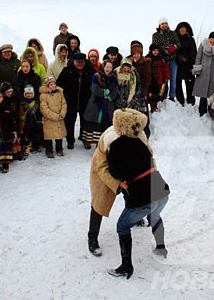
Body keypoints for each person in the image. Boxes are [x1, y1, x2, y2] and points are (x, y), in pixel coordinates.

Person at [107, 108, 170, 279]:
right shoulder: (141, 142)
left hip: (143, 195)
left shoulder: (116, 145)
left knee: (122, 226)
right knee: (155, 215)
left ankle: (126, 266)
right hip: (160, 188)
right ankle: (161, 247)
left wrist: (122, 179)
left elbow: (115, 170)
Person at [88, 108, 153, 257]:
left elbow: (149, 155)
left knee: (132, 193)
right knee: (99, 202)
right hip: (104, 171)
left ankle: (134, 218)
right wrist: (117, 183)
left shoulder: (139, 133)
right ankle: (92, 238)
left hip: (128, 169)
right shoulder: (109, 138)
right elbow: (102, 167)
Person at [57, 53, 95, 149]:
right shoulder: (67, 71)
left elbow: (95, 85)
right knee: (69, 122)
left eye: (82, 62)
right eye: (78, 62)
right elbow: (59, 83)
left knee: (85, 122)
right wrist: (64, 94)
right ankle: (70, 140)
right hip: (70, 101)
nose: (80, 64)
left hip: (85, 101)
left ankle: (85, 139)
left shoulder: (90, 71)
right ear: (73, 61)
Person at [83, 60, 118, 147]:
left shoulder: (114, 78)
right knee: (95, 121)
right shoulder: (96, 76)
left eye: (110, 67)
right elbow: (94, 89)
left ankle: (103, 144)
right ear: (103, 67)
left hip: (108, 105)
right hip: (95, 103)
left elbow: (115, 90)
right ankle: (92, 142)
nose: (108, 69)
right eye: (107, 67)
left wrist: (110, 97)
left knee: (105, 123)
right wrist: (105, 92)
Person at [192, 32, 214, 117]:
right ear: (209, 39)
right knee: (203, 92)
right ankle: (202, 110)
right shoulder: (203, 45)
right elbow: (198, 56)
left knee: (212, 92)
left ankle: (211, 109)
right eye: (211, 39)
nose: (212, 41)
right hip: (203, 70)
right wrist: (197, 68)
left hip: (213, 71)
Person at [152, 17, 180, 100]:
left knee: (173, 80)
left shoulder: (173, 33)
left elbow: (178, 43)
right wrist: (166, 49)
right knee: (163, 80)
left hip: (173, 60)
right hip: (162, 60)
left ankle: (172, 96)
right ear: (159, 25)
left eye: (165, 23)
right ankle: (163, 96)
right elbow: (155, 47)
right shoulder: (156, 35)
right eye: (162, 23)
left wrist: (174, 47)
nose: (164, 25)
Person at [0, 89, 17, 172]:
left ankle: (5, 164)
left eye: (1, 97)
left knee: (6, 149)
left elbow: (11, 120)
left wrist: (13, 130)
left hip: (6, 133)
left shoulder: (6, 107)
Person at [40, 75, 67, 158]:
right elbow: (44, 109)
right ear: (47, 86)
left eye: (54, 84)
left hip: (59, 118)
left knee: (59, 135)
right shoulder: (43, 96)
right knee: (49, 135)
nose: (53, 86)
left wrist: (62, 113)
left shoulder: (60, 93)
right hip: (49, 119)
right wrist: (54, 116)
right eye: (51, 84)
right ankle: (49, 150)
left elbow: (64, 103)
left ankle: (59, 148)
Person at [174, 22, 197, 106]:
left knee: (190, 83)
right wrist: (178, 58)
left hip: (188, 64)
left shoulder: (191, 39)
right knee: (177, 83)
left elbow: (193, 51)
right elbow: (174, 51)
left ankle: (191, 100)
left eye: (184, 28)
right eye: (181, 28)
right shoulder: (175, 39)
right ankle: (180, 100)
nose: (183, 30)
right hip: (178, 64)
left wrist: (192, 63)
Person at [146, 44, 170, 112]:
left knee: (157, 94)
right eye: (154, 50)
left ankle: (155, 106)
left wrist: (167, 76)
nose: (156, 52)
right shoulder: (147, 58)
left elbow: (166, 68)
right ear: (151, 51)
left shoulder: (161, 59)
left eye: (157, 50)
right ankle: (151, 107)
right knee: (151, 94)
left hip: (159, 79)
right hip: (151, 80)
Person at [19, 85, 42, 155]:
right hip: (26, 122)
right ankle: (26, 146)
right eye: (27, 93)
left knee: (36, 134)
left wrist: (39, 120)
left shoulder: (36, 103)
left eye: (30, 93)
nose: (29, 95)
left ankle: (35, 146)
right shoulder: (23, 103)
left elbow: (38, 112)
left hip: (35, 122)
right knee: (26, 134)